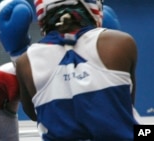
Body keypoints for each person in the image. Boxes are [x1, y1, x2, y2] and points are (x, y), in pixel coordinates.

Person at [15, 0, 139, 140]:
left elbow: (35, 115)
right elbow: (126, 108)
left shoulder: (24, 62)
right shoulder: (120, 42)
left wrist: (16, 53)